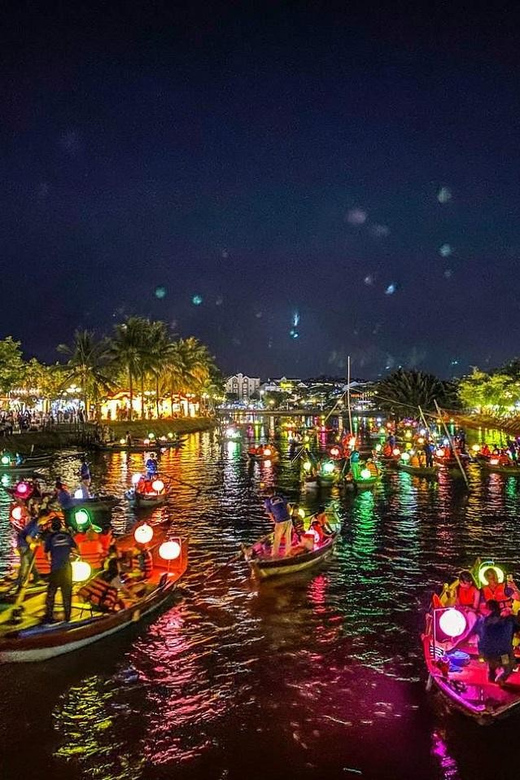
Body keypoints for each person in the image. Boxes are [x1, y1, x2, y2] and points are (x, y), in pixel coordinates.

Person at [43, 517, 77, 624]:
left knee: (51, 593)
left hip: (55, 569)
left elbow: (46, 553)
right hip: (67, 568)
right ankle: (67, 617)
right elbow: (76, 549)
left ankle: (49, 616)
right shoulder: (67, 536)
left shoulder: (50, 537)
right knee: (67, 594)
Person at [476, 600, 520, 684]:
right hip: (503, 654)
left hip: (487, 653)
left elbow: (475, 634)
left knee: (493, 660)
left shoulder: (482, 621)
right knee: (508, 667)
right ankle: (501, 679)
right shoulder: (509, 620)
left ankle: (492, 672)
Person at [264, 488, 292, 557]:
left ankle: (274, 554)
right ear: (274, 492)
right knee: (288, 537)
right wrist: (287, 515)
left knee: (277, 538)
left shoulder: (267, 501)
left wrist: (275, 522)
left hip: (280, 521)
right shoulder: (281, 497)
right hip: (288, 519)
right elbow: (289, 507)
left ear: (267, 494)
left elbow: (270, 514)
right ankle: (288, 553)